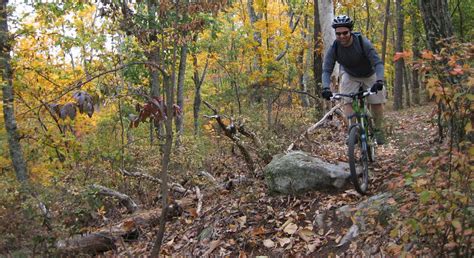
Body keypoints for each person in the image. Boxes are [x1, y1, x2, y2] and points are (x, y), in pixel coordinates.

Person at [321, 15, 386, 144]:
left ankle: (378, 130)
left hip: (369, 74)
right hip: (350, 75)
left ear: (350, 31)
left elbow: (378, 63)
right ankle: (353, 131)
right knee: (348, 101)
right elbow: (327, 70)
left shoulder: (363, 42)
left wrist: (379, 80)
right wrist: (325, 87)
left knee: (376, 102)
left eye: (345, 33)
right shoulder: (334, 48)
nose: (341, 36)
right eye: (338, 34)